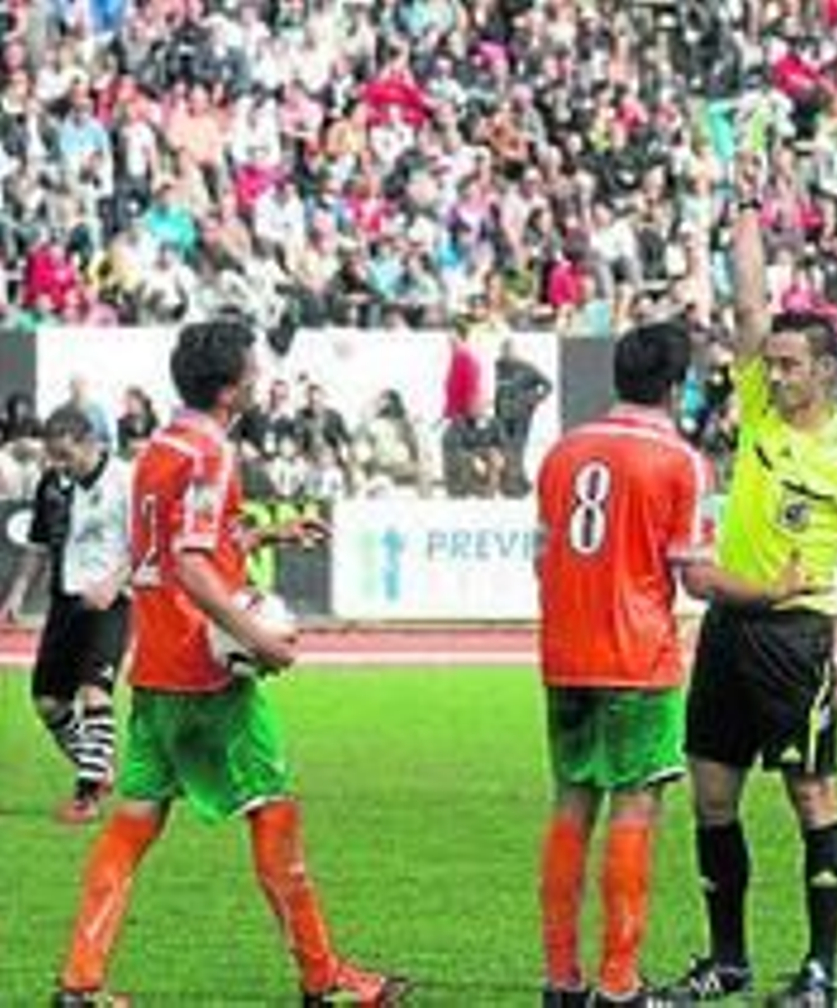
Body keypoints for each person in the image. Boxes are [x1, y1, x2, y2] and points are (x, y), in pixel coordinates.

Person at [52, 318, 407, 1006]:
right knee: (273, 811)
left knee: (133, 824)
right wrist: (259, 635)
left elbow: (177, 541)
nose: (261, 372)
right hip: (205, 669)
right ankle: (323, 980)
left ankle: (80, 985)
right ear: (230, 384)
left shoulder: (161, 444)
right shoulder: (212, 451)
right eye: (253, 364)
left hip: (153, 666)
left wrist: (270, 531)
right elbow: (188, 562)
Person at [535, 321, 813, 1008]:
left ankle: (560, 979)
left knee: (572, 804)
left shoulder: (563, 452)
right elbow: (697, 579)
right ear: (676, 384)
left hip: (564, 654)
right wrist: (770, 589)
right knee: (636, 807)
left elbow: (544, 557)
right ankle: (619, 982)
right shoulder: (679, 461)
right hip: (636, 657)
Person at [672, 207, 837, 1006]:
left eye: (792, 365)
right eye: (771, 364)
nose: (775, 375)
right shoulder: (760, 414)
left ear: (826, 371)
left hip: (797, 643)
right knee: (711, 796)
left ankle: (820, 973)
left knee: (812, 796)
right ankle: (727, 961)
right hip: (728, 632)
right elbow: (747, 306)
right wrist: (743, 214)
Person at [1, 405, 132, 824]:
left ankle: (87, 794)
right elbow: (38, 545)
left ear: (90, 442)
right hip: (65, 600)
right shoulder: (52, 484)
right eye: (54, 456)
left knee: (95, 694)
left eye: (66, 455)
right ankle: (98, 763)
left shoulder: (125, 480)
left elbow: (149, 542)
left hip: (111, 601)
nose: (60, 465)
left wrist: (114, 582)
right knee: (48, 703)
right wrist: (18, 594)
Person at [495, 337, 553, 495]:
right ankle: (515, 483)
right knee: (506, 449)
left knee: (518, 449)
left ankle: (517, 486)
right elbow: (499, 392)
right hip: (504, 415)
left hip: (521, 416)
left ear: (515, 351)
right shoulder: (499, 367)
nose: (506, 354)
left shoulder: (526, 368)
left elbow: (548, 385)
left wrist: (532, 401)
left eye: (509, 350)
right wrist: (496, 411)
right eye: (504, 351)